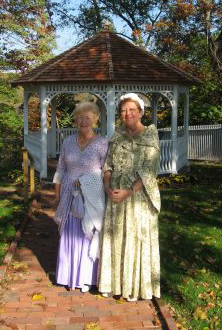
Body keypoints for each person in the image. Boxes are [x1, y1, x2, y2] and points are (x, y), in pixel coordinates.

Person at [98, 93, 161, 301]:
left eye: (132, 110)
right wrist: (107, 187)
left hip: (138, 197)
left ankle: (135, 287)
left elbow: (148, 171)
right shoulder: (116, 137)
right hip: (115, 195)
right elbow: (108, 165)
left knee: (136, 238)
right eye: (124, 111)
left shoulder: (151, 136)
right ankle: (114, 284)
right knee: (115, 238)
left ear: (141, 112)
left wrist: (129, 191)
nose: (127, 114)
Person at [53, 101, 108, 292]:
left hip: (91, 195)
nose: (83, 121)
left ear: (95, 120)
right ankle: (68, 276)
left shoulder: (102, 143)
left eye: (88, 118)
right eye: (80, 118)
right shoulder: (68, 141)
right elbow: (60, 168)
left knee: (88, 234)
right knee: (69, 234)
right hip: (69, 192)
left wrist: (93, 184)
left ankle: (87, 278)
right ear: (75, 120)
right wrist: (57, 192)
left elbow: (106, 171)